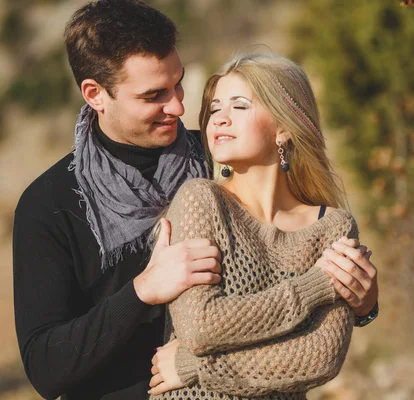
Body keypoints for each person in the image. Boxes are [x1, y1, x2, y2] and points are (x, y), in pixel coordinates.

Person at [12, 1, 379, 399]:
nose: (179, 107)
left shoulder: (222, 159)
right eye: (154, 95)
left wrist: (362, 302)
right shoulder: (50, 204)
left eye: (178, 84)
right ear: (95, 94)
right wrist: (142, 291)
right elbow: (46, 369)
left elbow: (298, 259)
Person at [147, 53, 374, 400]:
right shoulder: (200, 201)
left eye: (239, 107)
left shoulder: (332, 227)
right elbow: (201, 327)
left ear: (283, 128)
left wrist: (196, 367)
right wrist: (316, 285)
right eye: (215, 109)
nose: (218, 120)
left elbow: (319, 357)